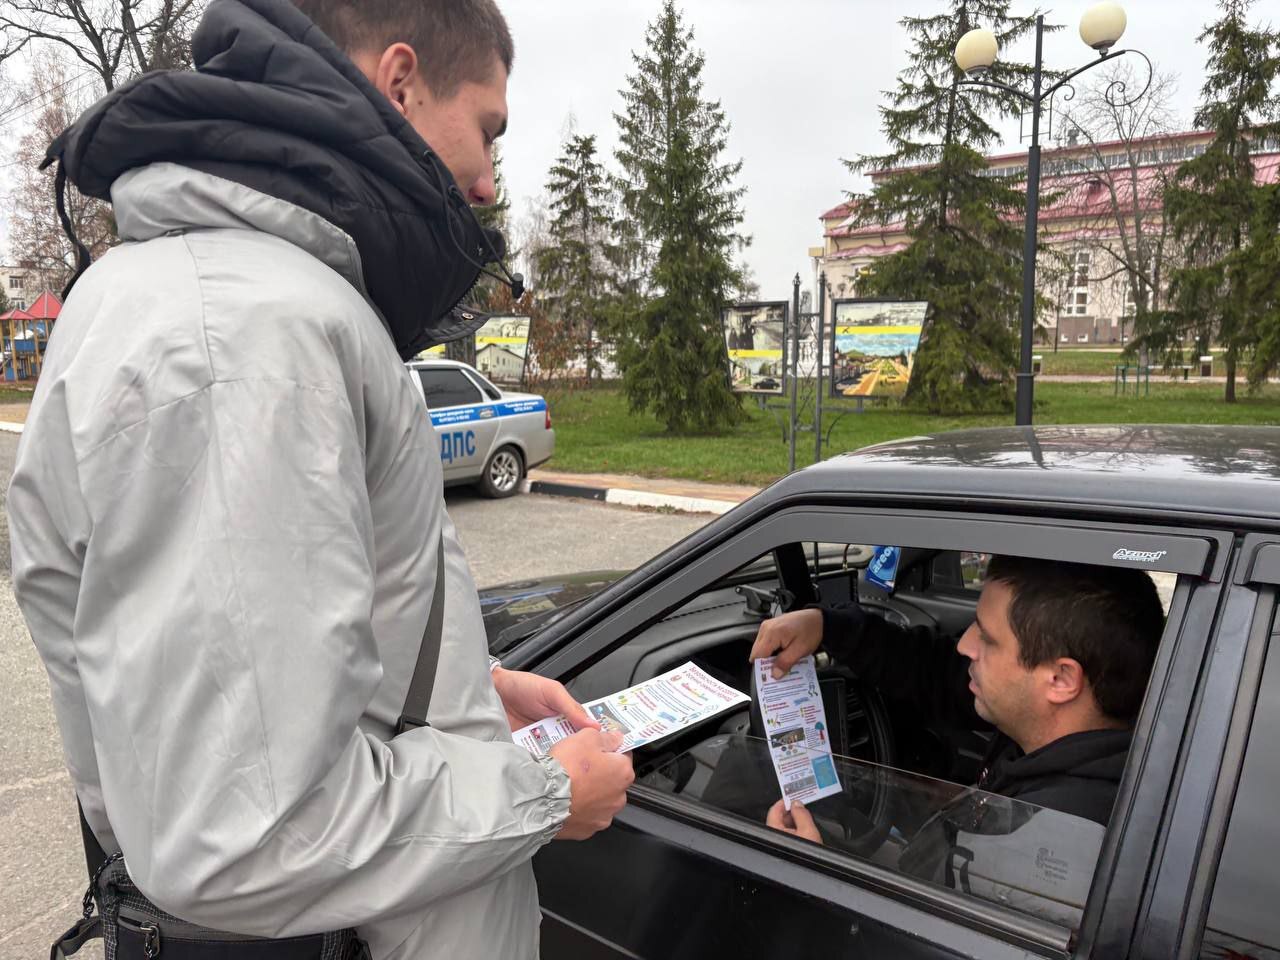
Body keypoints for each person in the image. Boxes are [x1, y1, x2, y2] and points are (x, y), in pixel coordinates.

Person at [8, 1, 632, 958]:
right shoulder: (247, 337)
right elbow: (249, 831)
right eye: (488, 130)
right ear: (398, 80)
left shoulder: (212, 299)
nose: (488, 179)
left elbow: (252, 668)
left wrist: (465, 688)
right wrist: (545, 793)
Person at [750, 555, 1164, 844]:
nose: (965, 645)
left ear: (1060, 678)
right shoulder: (1055, 722)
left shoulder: (1055, 834)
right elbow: (932, 670)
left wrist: (814, 875)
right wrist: (827, 626)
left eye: (986, 636)